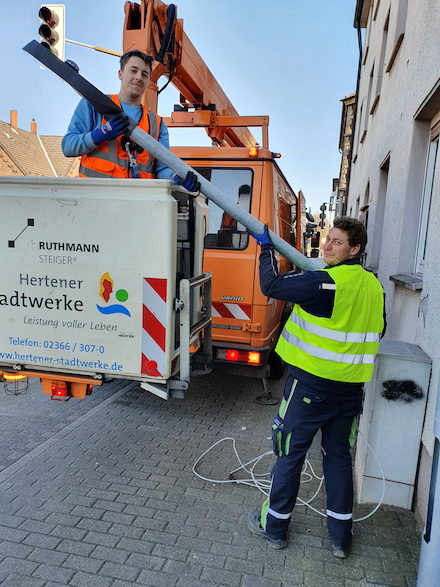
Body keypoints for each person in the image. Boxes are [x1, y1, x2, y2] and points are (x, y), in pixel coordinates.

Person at [247, 216, 385, 559]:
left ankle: (274, 528)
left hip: (309, 389)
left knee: (289, 456)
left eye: (337, 242)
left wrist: (265, 249)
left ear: (355, 249)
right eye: (328, 239)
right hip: (349, 393)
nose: (327, 245)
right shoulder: (374, 287)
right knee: (338, 460)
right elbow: (378, 330)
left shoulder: (324, 283)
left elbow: (271, 286)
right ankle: (341, 540)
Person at [62, 49, 199, 190]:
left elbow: (161, 168)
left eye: (144, 74)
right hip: (95, 201)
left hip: (136, 205)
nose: (139, 77)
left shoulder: (157, 124)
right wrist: (99, 135)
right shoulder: (94, 105)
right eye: (133, 71)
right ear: (120, 74)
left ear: (148, 81)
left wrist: (176, 178)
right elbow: (67, 147)